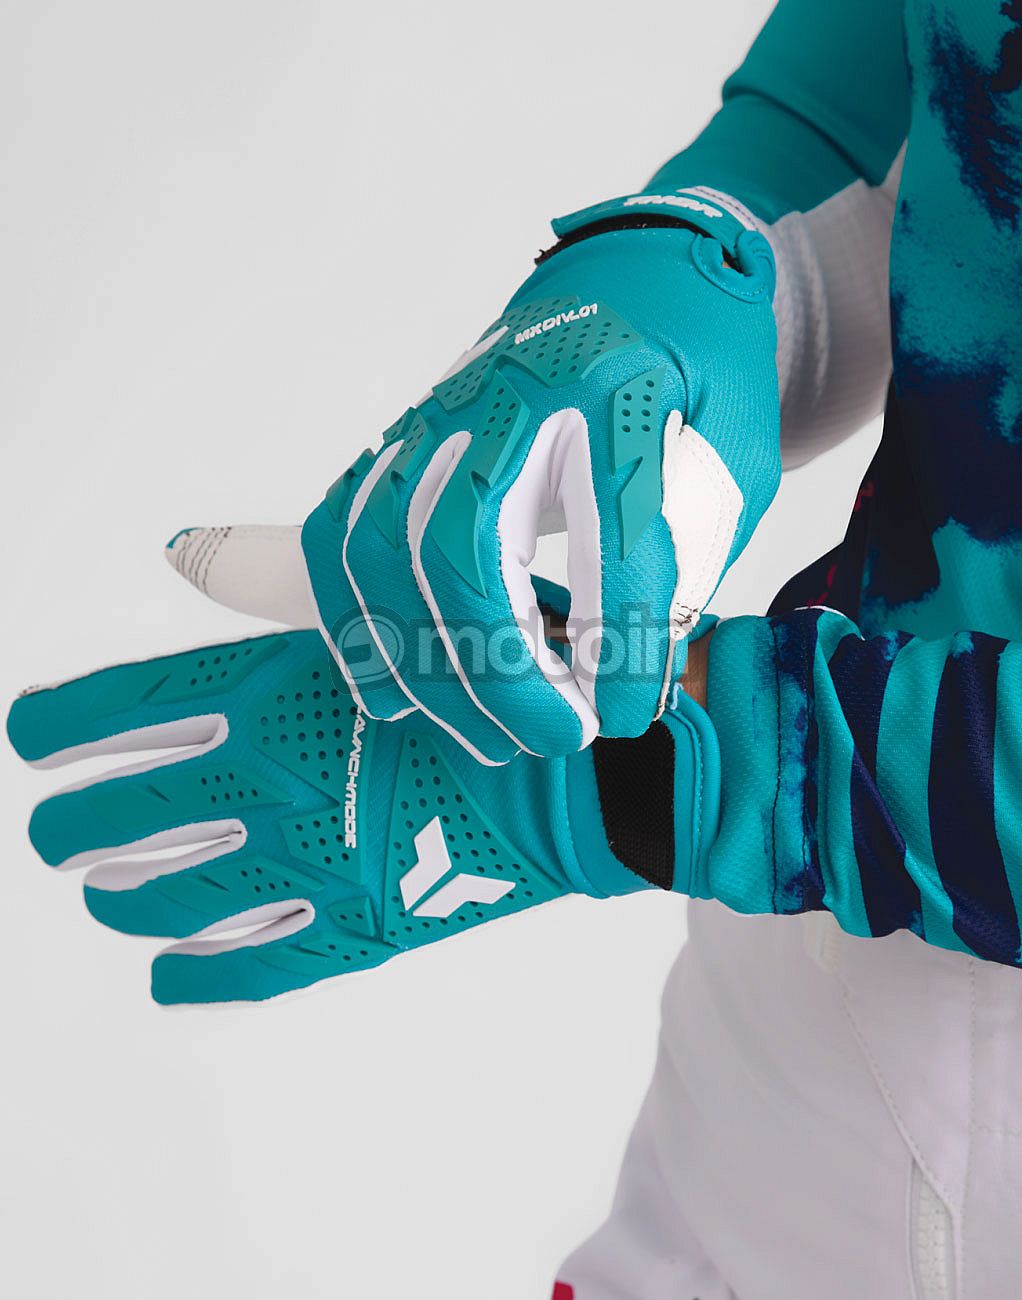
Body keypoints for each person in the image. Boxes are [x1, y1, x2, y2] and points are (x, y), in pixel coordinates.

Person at [8, 1, 1021, 1296]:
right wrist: (678, 281)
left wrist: (682, 772)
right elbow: (883, 109)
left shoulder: (695, 780)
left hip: (791, 829)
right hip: (792, 1043)